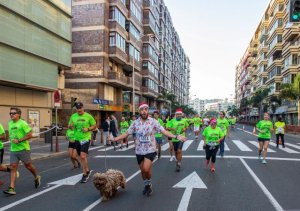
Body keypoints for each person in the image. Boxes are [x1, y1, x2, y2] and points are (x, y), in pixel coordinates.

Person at [109, 102, 186, 196]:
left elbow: (164, 131)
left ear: (148, 110)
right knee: (143, 171)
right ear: (139, 111)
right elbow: (126, 134)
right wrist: (114, 139)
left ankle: (149, 182)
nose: (144, 111)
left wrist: (176, 136)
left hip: (150, 149)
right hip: (139, 150)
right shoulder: (135, 123)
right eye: (142, 109)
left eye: (146, 109)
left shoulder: (153, 121)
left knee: (146, 169)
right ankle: (147, 184)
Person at [3, 107, 41, 195]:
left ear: (18, 114)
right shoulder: (10, 123)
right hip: (13, 149)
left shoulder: (23, 123)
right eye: (10, 113)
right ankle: (11, 188)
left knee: (28, 166)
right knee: (13, 168)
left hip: (23, 149)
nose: (11, 115)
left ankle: (36, 176)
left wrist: (19, 140)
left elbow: (30, 135)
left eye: (13, 113)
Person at [68, 102, 96, 183]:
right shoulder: (73, 116)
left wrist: (88, 129)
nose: (79, 109)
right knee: (81, 157)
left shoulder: (88, 116)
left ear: (83, 108)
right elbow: (69, 126)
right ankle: (87, 170)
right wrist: (70, 126)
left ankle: (85, 175)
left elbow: (94, 125)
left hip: (85, 138)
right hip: (77, 139)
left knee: (83, 156)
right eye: (77, 108)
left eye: (80, 108)